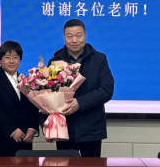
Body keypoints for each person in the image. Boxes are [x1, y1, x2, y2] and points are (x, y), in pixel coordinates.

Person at [48, 19, 114, 158]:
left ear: (85, 35)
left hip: (92, 129)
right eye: (69, 36)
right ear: (64, 37)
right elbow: (48, 95)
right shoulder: (55, 61)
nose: (74, 40)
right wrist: (48, 123)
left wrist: (80, 102)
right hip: (64, 129)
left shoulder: (99, 59)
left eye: (78, 35)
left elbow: (106, 90)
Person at [0, 41, 39, 157]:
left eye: (15, 57)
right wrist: (12, 130)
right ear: (0, 59)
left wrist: (32, 128)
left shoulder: (26, 81)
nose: (11, 61)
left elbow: (33, 107)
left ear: (20, 59)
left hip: (24, 143)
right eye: (7, 57)